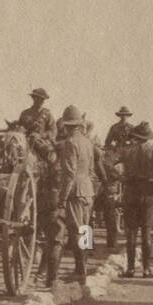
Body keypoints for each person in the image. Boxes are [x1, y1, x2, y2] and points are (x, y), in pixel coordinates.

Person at [48, 105, 103, 286]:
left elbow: (70, 174)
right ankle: (83, 267)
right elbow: (91, 169)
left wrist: (63, 199)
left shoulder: (71, 142)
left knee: (76, 231)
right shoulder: (88, 142)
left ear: (66, 124)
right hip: (88, 190)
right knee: (86, 229)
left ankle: (80, 271)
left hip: (75, 191)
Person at [118, 122, 153, 277]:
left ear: (135, 137)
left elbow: (107, 163)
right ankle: (146, 269)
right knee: (146, 232)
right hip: (148, 192)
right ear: (148, 137)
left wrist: (120, 178)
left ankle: (130, 268)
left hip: (130, 191)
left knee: (131, 232)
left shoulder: (126, 151)